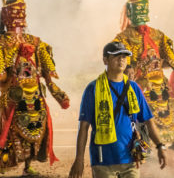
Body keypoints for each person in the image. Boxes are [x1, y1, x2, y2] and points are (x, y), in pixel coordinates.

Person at [68, 42, 167, 178]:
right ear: (105, 60)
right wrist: (79, 159)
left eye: (124, 56)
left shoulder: (134, 88)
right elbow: (84, 126)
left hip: (131, 159)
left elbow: (148, 121)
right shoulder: (93, 88)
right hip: (103, 161)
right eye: (116, 56)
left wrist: (160, 146)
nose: (121, 59)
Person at [0, 0, 70, 176]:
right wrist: (10, 73)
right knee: (11, 132)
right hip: (13, 98)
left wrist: (57, 93)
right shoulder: (2, 44)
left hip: (36, 96)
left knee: (35, 132)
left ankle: (27, 167)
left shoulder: (36, 42)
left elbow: (47, 74)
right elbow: (1, 77)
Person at [113, 0, 174, 144]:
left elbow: (169, 54)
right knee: (138, 118)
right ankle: (143, 146)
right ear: (130, 12)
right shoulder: (123, 37)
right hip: (138, 84)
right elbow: (120, 56)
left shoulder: (158, 35)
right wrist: (129, 66)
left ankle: (156, 146)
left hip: (159, 84)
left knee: (161, 113)